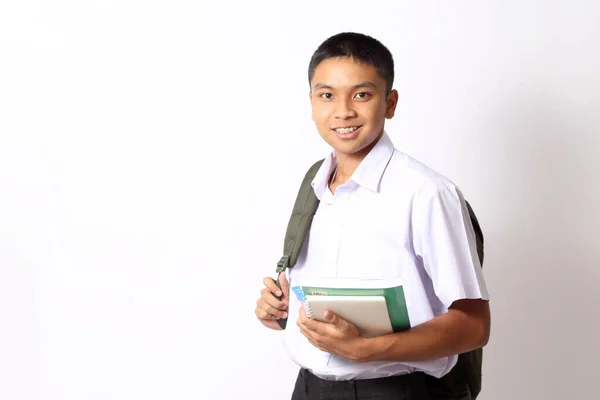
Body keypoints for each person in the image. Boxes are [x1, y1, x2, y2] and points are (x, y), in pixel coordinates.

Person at [254, 32, 491, 400]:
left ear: (390, 102)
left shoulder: (426, 193)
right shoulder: (313, 186)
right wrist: (280, 310)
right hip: (309, 389)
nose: (343, 111)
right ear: (312, 102)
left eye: (362, 94)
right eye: (327, 95)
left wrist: (367, 350)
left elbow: (474, 326)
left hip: (396, 391)